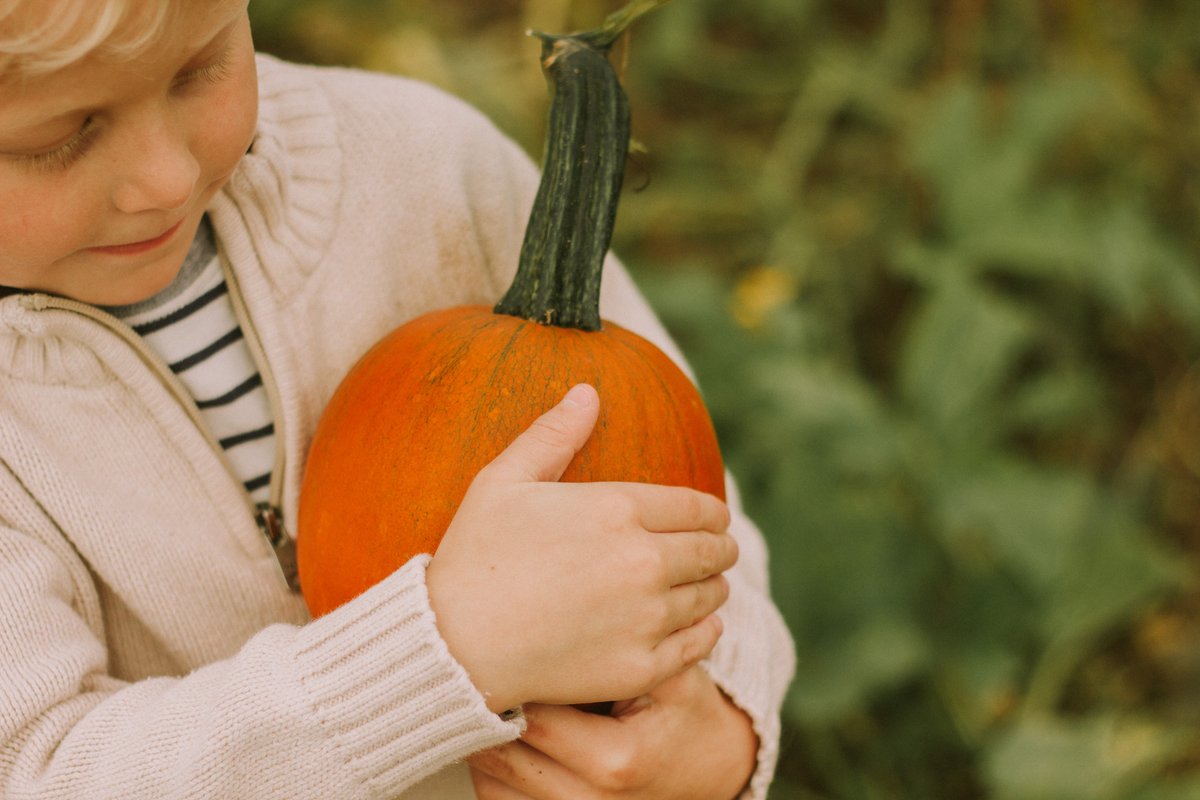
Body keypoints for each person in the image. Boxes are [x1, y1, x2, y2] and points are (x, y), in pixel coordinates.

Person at [0, 0, 796, 798]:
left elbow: (692, 526)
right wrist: (440, 651)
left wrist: (723, 731)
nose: (166, 177)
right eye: (56, 137)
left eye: (199, 69)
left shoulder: (426, 168)